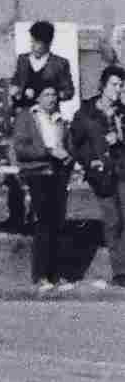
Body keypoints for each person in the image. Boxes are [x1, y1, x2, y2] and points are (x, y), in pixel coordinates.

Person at [67, 62, 125, 288]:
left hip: (123, 170)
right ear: (103, 86)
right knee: (113, 220)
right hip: (102, 175)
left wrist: (120, 137)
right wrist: (89, 160)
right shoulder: (86, 113)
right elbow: (74, 142)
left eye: (121, 86)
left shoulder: (122, 112)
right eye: (114, 85)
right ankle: (120, 272)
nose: (118, 90)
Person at [12, 81, 72, 290]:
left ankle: (55, 274)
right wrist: (48, 152)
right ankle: (41, 275)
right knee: (44, 222)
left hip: (58, 173)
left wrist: (68, 156)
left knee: (57, 222)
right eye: (46, 94)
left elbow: (68, 145)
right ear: (38, 98)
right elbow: (20, 148)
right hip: (36, 173)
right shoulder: (27, 117)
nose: (51, 99)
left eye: (54, 95)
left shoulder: (59, 119)